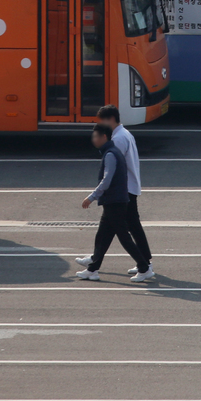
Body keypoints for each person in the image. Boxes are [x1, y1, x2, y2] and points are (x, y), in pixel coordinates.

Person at [88, 104, 155, 281]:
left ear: (110, 120)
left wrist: (98, 193)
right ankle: (96, 260)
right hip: (128, 187)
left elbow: (113, 168)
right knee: (127, 225)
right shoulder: (124, 134)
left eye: (102, 121)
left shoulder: (117, 139)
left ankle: (144, 264)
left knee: (124, 228)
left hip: (123, 189)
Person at [74, 124, 145, 281]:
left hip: (115, 201)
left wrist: (92, 197)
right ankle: (93, 269)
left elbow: (107, 180)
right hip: (114, 201)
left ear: (104, 137)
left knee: (123, 236)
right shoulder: (112, 152)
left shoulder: (110, 155)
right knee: (103, 237)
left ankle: (144, 266)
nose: (93, 139)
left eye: (95, 136)